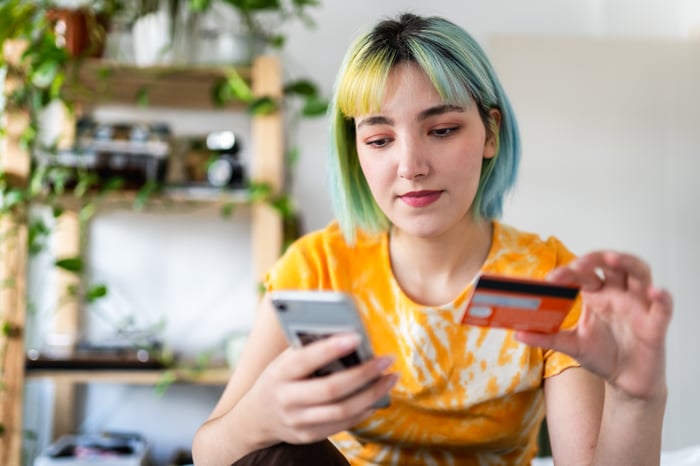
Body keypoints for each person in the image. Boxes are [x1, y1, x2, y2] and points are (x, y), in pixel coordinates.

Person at [192, 12, 672, 466]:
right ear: (355, 150)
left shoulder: (542, 278)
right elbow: (209, 451)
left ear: (490, 133)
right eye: (379, 140)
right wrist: (257, 418)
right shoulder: (319, 267)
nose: (411, 167)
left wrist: (636, 397)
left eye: (441, 130)